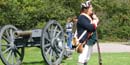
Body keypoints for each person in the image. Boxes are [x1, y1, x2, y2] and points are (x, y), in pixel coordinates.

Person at [77, 1, 99, 65]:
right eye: (90, 8)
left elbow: (94, 26)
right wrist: (95, 21)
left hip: (89, 41)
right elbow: (91, 27)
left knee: (86, 58)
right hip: (85, 41)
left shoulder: (88, 17)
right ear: (85, 9)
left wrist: (95, 19)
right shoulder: (82, 17)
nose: (91, 9)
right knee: (82, 59)